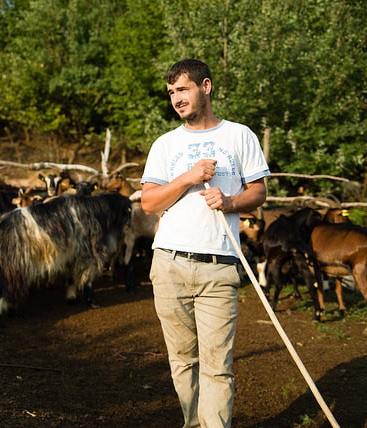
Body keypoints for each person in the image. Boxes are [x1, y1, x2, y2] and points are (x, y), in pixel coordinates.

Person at [140, 59, 270, 428]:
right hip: (169, 264)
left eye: (183, 89)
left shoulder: (239, 135)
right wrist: (188, 177)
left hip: (219, 265)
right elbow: (149, 203)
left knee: (217, 366)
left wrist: (229, 202)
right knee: (182, 361)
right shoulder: (166, 144)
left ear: (206, 86)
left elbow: (259, 191)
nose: (176, 99)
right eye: (171, 93)